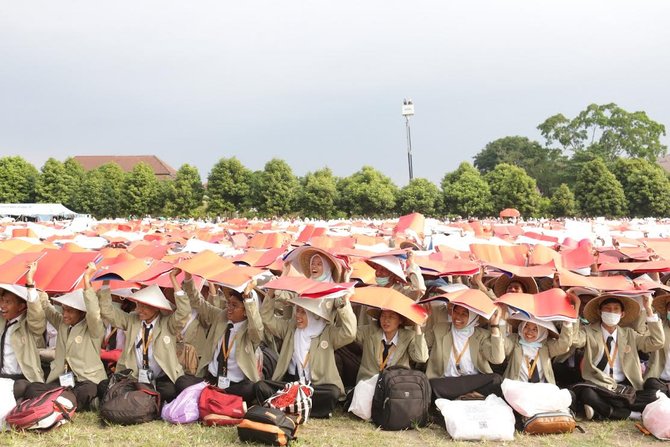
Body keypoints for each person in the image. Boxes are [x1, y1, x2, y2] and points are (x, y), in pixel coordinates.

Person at [254, 289, 356, 418]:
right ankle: (299, 405)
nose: (298, 315)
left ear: (313, 315)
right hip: (291, 385)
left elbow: (350, 333)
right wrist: (270, 295)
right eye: (297, 310)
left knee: (332, 393)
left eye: (303, 312)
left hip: (315, 386)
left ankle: (291, 406)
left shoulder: (327, 332)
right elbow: (266, 319)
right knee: (261, 386)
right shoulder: (290, 328)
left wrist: (345, 304)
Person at [173, 270, 263, 404]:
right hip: (212, 380)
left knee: (250, 389)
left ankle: (212, 399)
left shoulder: (250, 330)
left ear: (246, 312)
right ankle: (218, 399)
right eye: (228, 303)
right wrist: (188, 277)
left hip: (234, 385)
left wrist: (247, 296)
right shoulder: (221, 317)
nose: (229, 308)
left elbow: (257, 328)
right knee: (182, 381)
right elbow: (198, 302)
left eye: (235, 305)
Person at [25, 263, 106, 410]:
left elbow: (94, 313)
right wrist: (32, 282)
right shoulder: (62, 323)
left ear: (82, 313)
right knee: (32, 389)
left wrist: (87, 279)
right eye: (64, 310)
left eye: (70, 311)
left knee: (87, 391)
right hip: (63, 380)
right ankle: (66, 401)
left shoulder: (93, 328)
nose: (65, 314)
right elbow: (46, 306)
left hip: (86, 380)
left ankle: (61, 400)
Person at [97, 277, 191, 404]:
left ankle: (142, 400)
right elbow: (107, 312)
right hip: (135, 376)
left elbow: (184, 312)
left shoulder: (168, 323)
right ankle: (143, 400)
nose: (139, 310)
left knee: (170, 391)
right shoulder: (132, 320)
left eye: (144, 306)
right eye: (138, 305)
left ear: (157, 307)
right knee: (104, 386)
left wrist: (173, 279)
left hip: (160, 378)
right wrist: (106, 282)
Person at [572, 294, 665, 420]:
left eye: (616, 309)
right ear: (600, 312)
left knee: (655, 395)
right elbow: (575, 340)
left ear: (622, 314)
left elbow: (657, 342)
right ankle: (629, 414)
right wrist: (575, 309)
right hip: (600, 385)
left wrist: (648, 309)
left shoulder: (629, 334)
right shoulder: (589, 331)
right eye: (607, 309)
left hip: (625, 387)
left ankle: (600, 411)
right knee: (587, 393)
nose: (612, 312)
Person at [425, 304, 504, 400]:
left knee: (497, 380)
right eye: (456, 312)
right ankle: (473, 395)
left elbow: (497, 359)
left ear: (473, 317)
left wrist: (494, 326)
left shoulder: (481, 335)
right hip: (446, 382)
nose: (458, 317)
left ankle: (462, 396)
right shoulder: (439, 329)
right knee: (432, 386)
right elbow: (421, 354)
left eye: (464, 314)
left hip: (472, 381)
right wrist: (422, 323)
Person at [0, 263, 45, 399]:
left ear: (21, 306)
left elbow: (36, 317)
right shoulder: (2, 321)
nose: (2, 306)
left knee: (18, 389)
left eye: (8, 302)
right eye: (1, 301)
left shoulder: (28, 324)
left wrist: (30, 283)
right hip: (2, 377)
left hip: (21, 379)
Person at [355, 308, 428, 382]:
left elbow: (421, 358)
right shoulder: (369, 331)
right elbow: (349, 333)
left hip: (395, 384)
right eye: (383, 316)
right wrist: (345, 304)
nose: (386, 320)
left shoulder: (408, 336)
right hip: (369, 382)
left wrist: (418, 326)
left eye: (392, 317)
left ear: (400, 320)